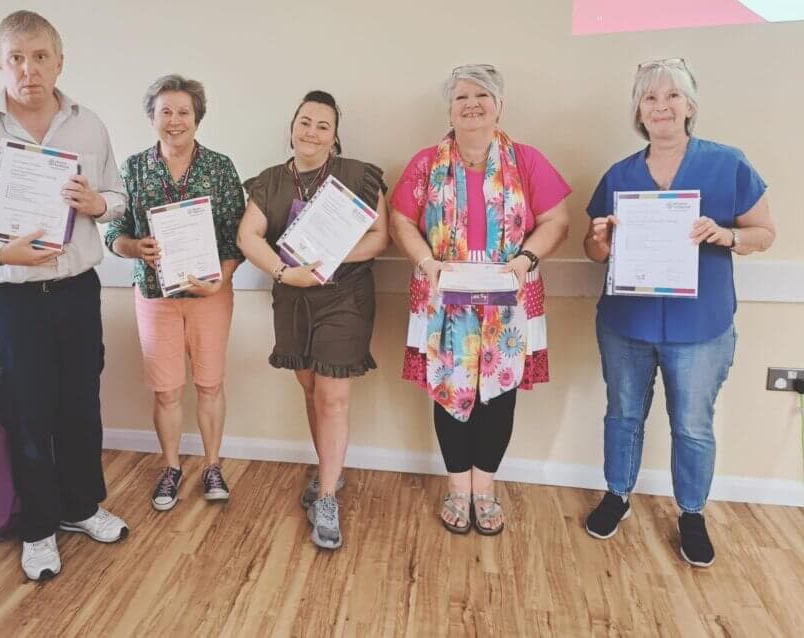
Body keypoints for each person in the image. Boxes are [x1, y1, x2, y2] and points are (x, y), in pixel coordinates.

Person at [0, 10, 129, 581]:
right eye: (16, 58)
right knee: (26, 413)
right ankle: (37, 527)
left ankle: (81, 506)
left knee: (81, 403)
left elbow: (117, 195)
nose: (28, 70)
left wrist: (98, 204)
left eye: (40, 57)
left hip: (76, 291)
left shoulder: (89, 125)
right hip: (10, 298)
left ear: (59, 62)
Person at [583, 58, 775, 567]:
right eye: (649, 98)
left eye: (672, 96)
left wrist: (726, 235)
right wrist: (599, 240)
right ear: (638, 111)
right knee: (622, 414)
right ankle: (617, 494)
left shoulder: (728, 163)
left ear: (690, 105)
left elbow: (764, 233)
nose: (661, 106)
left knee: (692, 425)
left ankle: (691, 512)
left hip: (701, 327)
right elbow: (594, 250)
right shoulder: (620, 174)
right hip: (626, 323)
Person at [390, 65, 570, 536]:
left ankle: (484, 490)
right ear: (449, 110)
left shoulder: (526, 160)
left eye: (482, 96)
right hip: (443, 298)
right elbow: (401, 221)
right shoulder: (425, 163)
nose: (471, 104)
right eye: (461, 97)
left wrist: (526, 258)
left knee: (498, 397)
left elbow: (557, 220)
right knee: (449, 393)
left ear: (499, 106)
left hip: (508, 299)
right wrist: (426, 262)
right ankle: (457, 489)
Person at [237, 90, 389, 550]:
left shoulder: (358, 176)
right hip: (292, 298)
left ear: (335, 136)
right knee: (311, 389)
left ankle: (325, 498)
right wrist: (285, 273)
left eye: (323, 126)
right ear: (292, 127)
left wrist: (328, 261)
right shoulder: (270, 181)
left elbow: (379, 237)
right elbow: (248, 236)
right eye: (305, 122)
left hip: (345, 298)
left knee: (333, 398)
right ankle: (330, 471)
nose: (312, 132)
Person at [105, 75, 245, 511]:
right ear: (152, 117)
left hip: (210, 296)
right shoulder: (133, 168)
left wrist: (221, 279)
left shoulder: (219, 167)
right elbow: (114, 233)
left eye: (183, 111)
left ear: (197, 118)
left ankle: (213, 465)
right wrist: (135, 248)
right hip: (155, 296)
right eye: (165, 111)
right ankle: (170, 467)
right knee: (165, 391)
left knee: (210, 384)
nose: (175, 120)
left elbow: (237, 237)